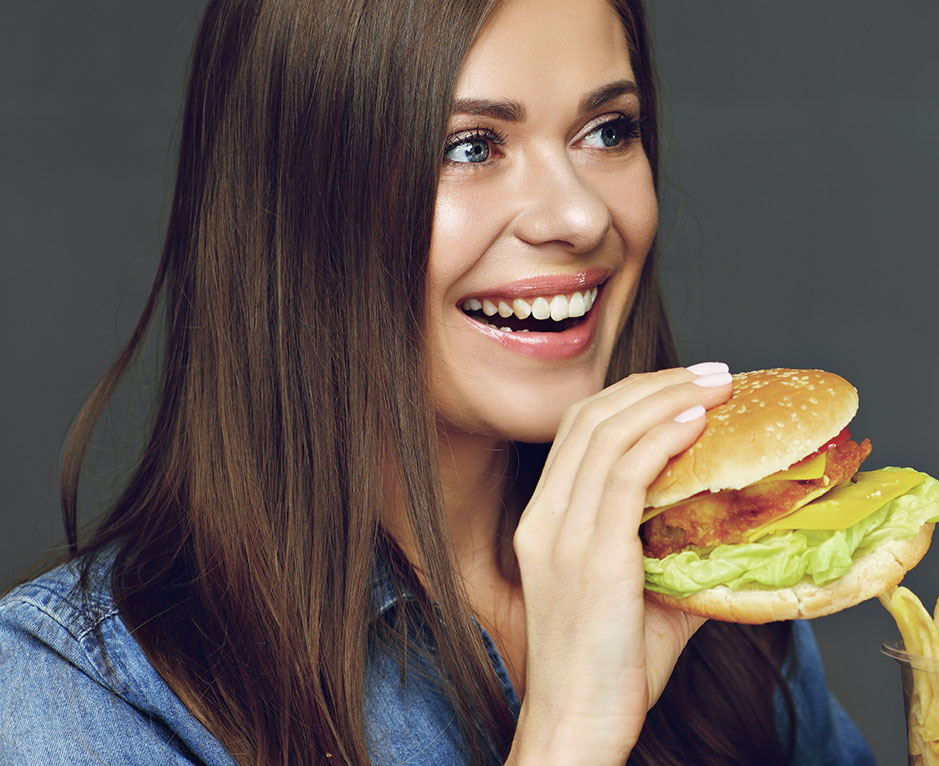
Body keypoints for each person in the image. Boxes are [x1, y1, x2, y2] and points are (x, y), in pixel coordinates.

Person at [0, 1, 874, 764]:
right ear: (294, 206)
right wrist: (565, 734)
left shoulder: (714, 568)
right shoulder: (79, 695)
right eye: (469, 146)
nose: (578, 216)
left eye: (607, 131)